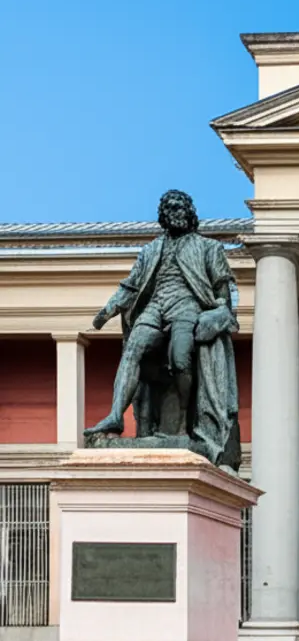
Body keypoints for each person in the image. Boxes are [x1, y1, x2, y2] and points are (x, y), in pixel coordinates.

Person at [85, 189, 241, 469]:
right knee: (133, 346)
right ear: (163, 215)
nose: (175, 212)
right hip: (156, 306)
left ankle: (181, 424)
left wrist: (218, 314)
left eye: (180, 207)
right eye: (169, 208)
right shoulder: (150, 250)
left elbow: (223, 295)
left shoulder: (208, 248)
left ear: (189, 212)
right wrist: (107, 311)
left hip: (188, 306)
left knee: (180, 356)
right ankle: (115, 415)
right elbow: (131, 286)